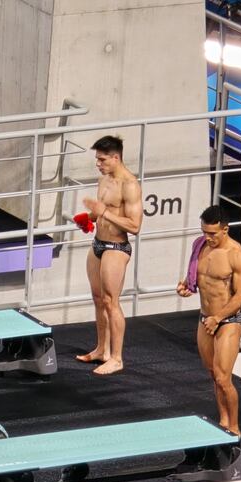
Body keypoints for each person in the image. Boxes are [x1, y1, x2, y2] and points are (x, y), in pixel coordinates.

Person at [176, 205, 241, 436]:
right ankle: (223, 421)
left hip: (228, 321)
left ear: (225, 229)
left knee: (222, 377)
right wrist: (185, 286)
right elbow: (197, 279)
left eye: (212, 234)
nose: (207, 238)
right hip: (205, 319)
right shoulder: (200, 246)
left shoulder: (236, 255)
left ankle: (235, 427)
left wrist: (218, 317)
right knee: (212, 374)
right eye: (204, 232)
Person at [75, 135, 142, 375]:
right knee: (97, 298)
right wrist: (89, 218)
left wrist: (104, 212)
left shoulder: (130, 185)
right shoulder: (103, 180)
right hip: (98, 244)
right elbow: (100, 212)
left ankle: (117, 357)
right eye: (97, 159)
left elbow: (134, 226)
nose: (98, 164)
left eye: (102, 159)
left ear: (116, 157)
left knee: (111, 302)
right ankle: (102, 349)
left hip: (116, 248)